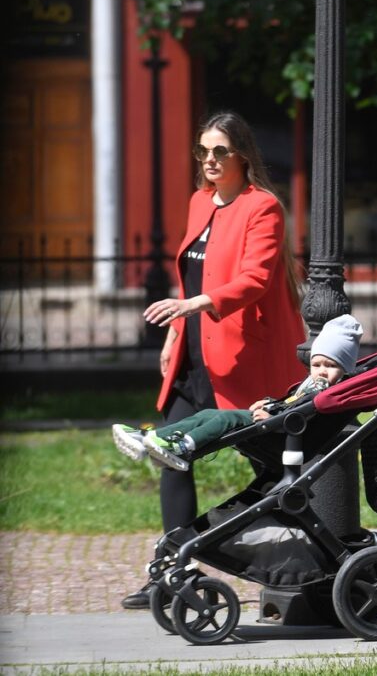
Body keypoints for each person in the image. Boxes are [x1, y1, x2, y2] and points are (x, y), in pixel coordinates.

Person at [120, 111, 307, 610]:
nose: (209, 160)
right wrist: (175, 333)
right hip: (194, 352)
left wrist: (193, 307)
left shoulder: (261, 206)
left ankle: (298, 567)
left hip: (244, 357)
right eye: (203, 151)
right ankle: (174, 572)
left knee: (273, 466)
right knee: (170, 453)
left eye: (220, 151)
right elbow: (192, 281)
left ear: (242, 155)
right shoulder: (199, 202)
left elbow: (255, 279)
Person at [112, 315, 362, 471]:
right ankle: (152, 438)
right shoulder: (314, 383)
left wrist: (274, 418)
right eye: (317, 364)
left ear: (346, 368)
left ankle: (183, 447)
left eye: (331, 365)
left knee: (226, 418)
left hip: (281, 431)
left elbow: (305, 414)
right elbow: (294, 403)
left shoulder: (327, 391)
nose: (322, 371)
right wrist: (269, 404)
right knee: (209, 413)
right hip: (277, 421)